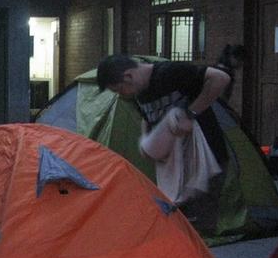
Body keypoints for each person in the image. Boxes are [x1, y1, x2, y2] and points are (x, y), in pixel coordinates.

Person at [97, 55, 230, 227]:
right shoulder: (140, 94)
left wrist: (191, 113)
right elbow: (148, 120)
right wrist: (147, 142)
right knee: (178, 227)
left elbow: (221, 78)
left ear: (128, 76)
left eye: (119, 90)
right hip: (176, 173)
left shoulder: (170, 73)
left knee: (198, 229)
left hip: (205, 164)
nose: (121, 95)